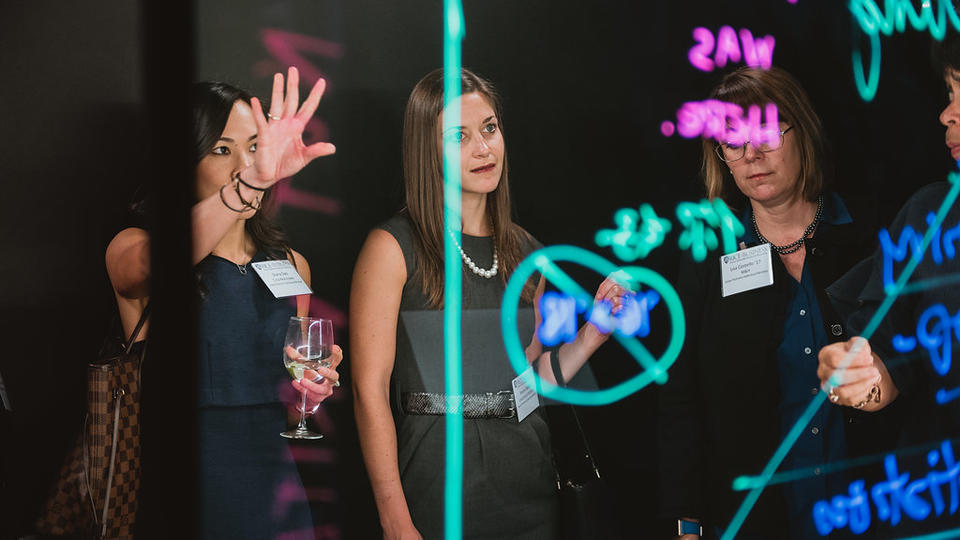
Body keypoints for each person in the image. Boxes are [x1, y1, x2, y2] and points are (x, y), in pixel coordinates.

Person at [350, 68, 625, 540]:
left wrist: (594, 333)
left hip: (529, 484)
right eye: (459, 136)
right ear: (427, 150)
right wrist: (394, 519)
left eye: (490, 128)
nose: (483, 148)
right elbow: (367, 391)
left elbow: (531, 381)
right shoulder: (393, 247)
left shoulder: (526, 252)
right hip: (438, 484)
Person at [104, 67, 342, 539]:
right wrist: (250, 184)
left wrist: (310, 394)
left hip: (275, 487)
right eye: (221, 149)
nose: (246, 164)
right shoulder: (134, 246)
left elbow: (292, 407)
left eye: (255, 147)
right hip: (181, 485)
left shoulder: (292, 264)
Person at [657, 66, 883, 539]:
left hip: (875, 505)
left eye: (764, 133)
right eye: (733, 142)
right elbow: (682, 398)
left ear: (802, 129)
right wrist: (687, 519)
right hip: (760, 518)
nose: (752, 155)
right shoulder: (707, 257)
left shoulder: (870, 239)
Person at [818, 33, 960, 462]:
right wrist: (859, 381)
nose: (946, 114)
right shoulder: (929, 216)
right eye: (951, 92)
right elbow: (887, 361)